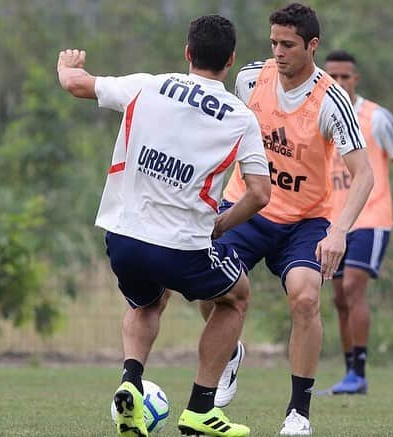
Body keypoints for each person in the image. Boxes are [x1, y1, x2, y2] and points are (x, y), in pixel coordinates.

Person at [57, 15, 271, 437]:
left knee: (146, 303)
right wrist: (222, 224)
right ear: (229, 61)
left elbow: (77, 85)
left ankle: (130, 382)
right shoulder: (240, 117)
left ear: (188, 52)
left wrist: (66, 65)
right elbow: (260, 194)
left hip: (123, 238)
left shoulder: (147, 84)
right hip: (182, 246)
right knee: (236, 296)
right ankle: (200, 409)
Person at [199, 4, 374, 435]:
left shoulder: (331, 100)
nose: (278, 51)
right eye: (274, 42)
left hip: (306, 221)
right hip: (247, 207)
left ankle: (298, 413)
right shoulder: (248, 79)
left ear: (312, 46)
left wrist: (338, 231)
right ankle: (231, 353)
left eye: (288, 45)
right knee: (204, 282)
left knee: (305, 298)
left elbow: (364, 175)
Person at [323, 49, 393, 395]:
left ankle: (360, 372)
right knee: (339, 296)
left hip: (372, 216)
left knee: (354, 287)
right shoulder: (320, 114)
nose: (339, 83)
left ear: (356, 80)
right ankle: (350, 373)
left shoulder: (377, 118)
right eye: (332, 77)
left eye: (345, 77)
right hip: (334, 220)